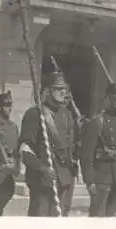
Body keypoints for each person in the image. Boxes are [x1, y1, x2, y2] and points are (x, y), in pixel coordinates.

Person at [19, 61, 79, 217]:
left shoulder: (67, 114)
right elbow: (24, 149)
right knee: (40, 224)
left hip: (65, 178)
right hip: (43, 180)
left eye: (64, 89)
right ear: (47, 91)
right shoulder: (35, 114)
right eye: (58, 89)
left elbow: (72, 145)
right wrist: (42, 168)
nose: (63, 93)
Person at [80, 81, 116, 217]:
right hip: (102, 180)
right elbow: (86, 156)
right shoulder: (97, 122)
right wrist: (90, 181)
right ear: (107, 99)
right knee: (97, 221)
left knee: (115, 221)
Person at [0, 90, 19, 216]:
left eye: (10, 105)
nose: (10, 108)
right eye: (6, 105)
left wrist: (15, 167)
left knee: (1, 204)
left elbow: (16, 151)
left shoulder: (13, 126)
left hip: (8, 175)